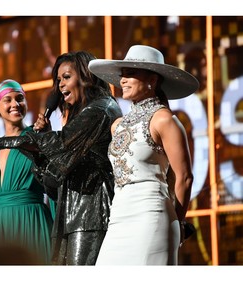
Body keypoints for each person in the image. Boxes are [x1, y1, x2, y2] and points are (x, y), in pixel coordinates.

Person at [0, 51, 123, 265]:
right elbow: (53, 179)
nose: (60, 86)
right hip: (22, 223)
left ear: (86, 76)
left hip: (58, 218)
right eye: (58, 80)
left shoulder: (98, 110)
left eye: (66, 77)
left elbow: (59, 156)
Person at [88, 44, 198, 265]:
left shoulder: (164, 120)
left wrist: (177, 222)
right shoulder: (117, 125)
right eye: (122, 75)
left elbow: (184, 177)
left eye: (131, 73)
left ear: (153, 80)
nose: (123, 80)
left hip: (152, 216)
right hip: (118, 217)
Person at [0, 79, 54, 265]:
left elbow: (54, 181)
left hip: (32, 221)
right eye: (8, 100)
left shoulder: (35, 137)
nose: (15, 104)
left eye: (20, 98)